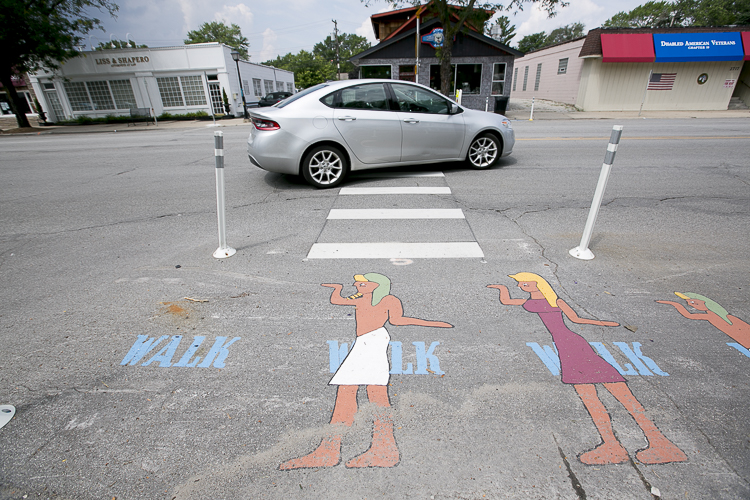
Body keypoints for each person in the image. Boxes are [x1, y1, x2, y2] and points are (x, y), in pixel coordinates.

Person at [488, 272, 686, 465]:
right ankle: (630, 444)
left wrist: (501, 289)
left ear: (537, 284)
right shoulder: (548, 301)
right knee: (604, 394)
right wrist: (603, 323)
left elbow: (512, 303)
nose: (520, 287)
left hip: (570, 346)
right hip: (572, 344)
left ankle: (639, 444)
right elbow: (576, 319)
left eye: (524, 284)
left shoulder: (544, 302)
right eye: (520, 284)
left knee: (602, 394)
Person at [280, 273, 452, 470]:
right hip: (364, 341)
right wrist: (337, 288)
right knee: (355, 389)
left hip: (373, 340)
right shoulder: (361, 299)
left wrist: (431, 323)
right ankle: (345, 448)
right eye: (357, 282)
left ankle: (366, 449)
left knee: (368, 390)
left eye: (362, 282)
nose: (356, 284)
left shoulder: (389, 299)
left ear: (376, 285)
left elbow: (397, 320)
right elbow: (338, 300)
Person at [657, 292, 750, 349]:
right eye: (688, 303)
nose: (690, 305)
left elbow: (689, 315)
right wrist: (674, 303)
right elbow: (689, 315)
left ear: (704, 301)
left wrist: (673, 303)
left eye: (692, 302)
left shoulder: (721, 316)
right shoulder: (712, 315)